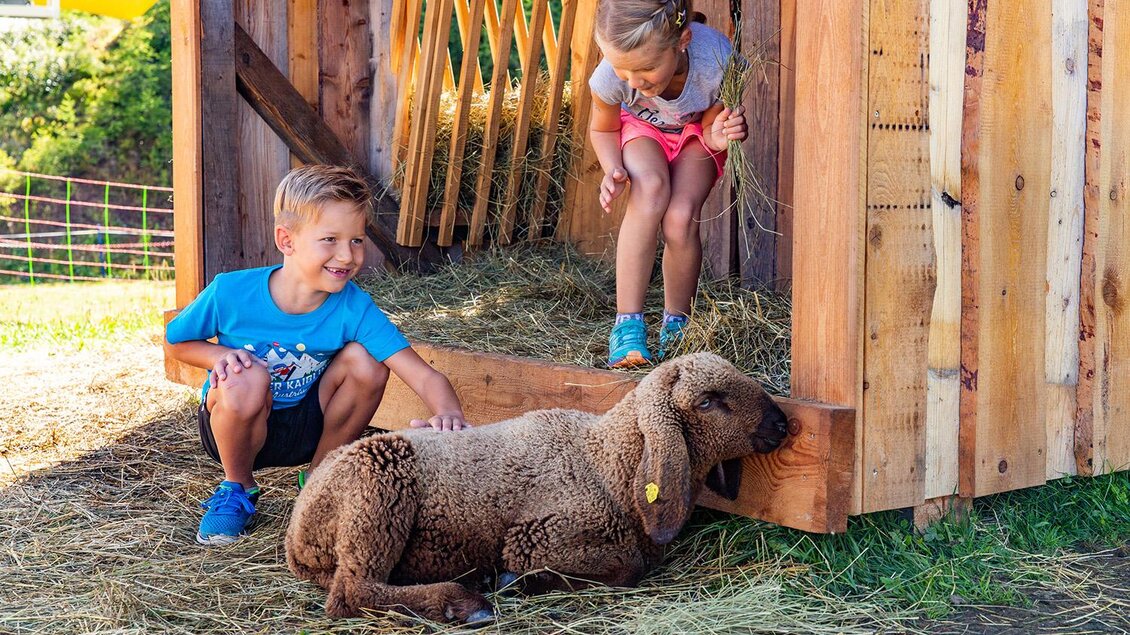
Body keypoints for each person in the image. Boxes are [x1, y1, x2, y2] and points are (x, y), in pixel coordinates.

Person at [167, 164, 470, 546]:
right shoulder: (230, 291)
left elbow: (424, 375)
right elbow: (176, 342)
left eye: (357, 240)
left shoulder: (354, 306)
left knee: (367, 361)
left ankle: (319, 480)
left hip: (307, 425)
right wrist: (219, 357)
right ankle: (238, 489)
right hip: (233, 425)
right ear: (286, 240)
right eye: (330, 239)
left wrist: (449, 415)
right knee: (247, 374)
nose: (347, 255)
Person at [588, 0, 747, 368]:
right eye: (624, 70)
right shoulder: (612, 76)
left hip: (696, 136)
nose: (634, 82)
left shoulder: (717, 61)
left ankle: (677, 326)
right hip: (642, 130)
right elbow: (603, 128)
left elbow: (711, 125)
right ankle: (628, 326)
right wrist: (613, 169)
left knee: (680, 217)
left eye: (647, 68)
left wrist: (720, 135)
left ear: (683, 41)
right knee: (651, 189)